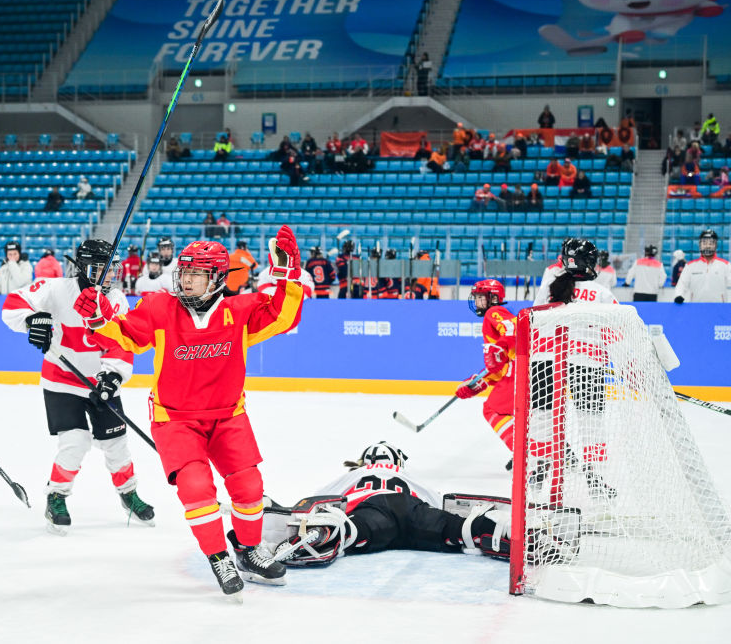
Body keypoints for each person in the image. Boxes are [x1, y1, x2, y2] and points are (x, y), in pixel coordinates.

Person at [72, 229, 305, 599]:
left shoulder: (239, 312)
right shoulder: (159, 308)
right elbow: (127, 336)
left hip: (228, 416)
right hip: (175, 419)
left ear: (217, 277)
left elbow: (283, 317)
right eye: (184, 272)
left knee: (249, 487)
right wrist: (99, 319)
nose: (185, 279)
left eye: (196, 273)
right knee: (196, 488)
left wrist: (288, 272)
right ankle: (218, 557)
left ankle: (248, 551)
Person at [2, 239, 155, 533]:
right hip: (62, 380)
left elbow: (122, 344)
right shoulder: (56, 289)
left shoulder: (117, 299)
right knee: (75, 442)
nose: (110, 276)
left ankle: (128, 494)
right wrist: (32, 320)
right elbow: (13, 304)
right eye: (102, 269)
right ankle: (56, 496)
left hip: (101, 381)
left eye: (113, 269)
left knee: (116, 443)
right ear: (84, 268)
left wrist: (113, 376)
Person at [261, 443, 528, 569]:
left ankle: (330, 535)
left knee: (355, 530)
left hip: (373, 510)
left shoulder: (355, 473)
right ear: (399, 462)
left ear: (365, 462)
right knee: (458, 529)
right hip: (412, 509)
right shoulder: (408, 475)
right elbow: (440, 504)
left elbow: (320, 501)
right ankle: (497, 530)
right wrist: (454, 521)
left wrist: (289, 512)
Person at [531, 238, 618, 500]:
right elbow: (616, 331)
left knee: (542, 418)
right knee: (591, 423)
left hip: (545, 361)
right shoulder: (601, 293)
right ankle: (595, 479)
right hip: (586, 363)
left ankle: (537, 473)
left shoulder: (550, 287)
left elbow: (533, 319)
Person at [454, 281, 516, 458]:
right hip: (529, 369)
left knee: (493, 409)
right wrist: (479, 382)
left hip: (521, 369)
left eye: (481, 297)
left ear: (493, 298)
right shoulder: (494, 317)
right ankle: (552, 450)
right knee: (522, 414)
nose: (476, 302)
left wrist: (500, 348)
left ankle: (525, 453)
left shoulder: (494, 312)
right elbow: (499, 365)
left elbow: (514, 329)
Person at [674, 230, 730, 303]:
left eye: (711, 243)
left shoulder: (725, 265)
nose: (708, 246)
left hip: (719, 307)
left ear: (716, 245)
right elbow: (682, 284)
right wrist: (679, 295)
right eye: (704, 243)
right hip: (696, 307)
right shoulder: (690, 266)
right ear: (700, 245)